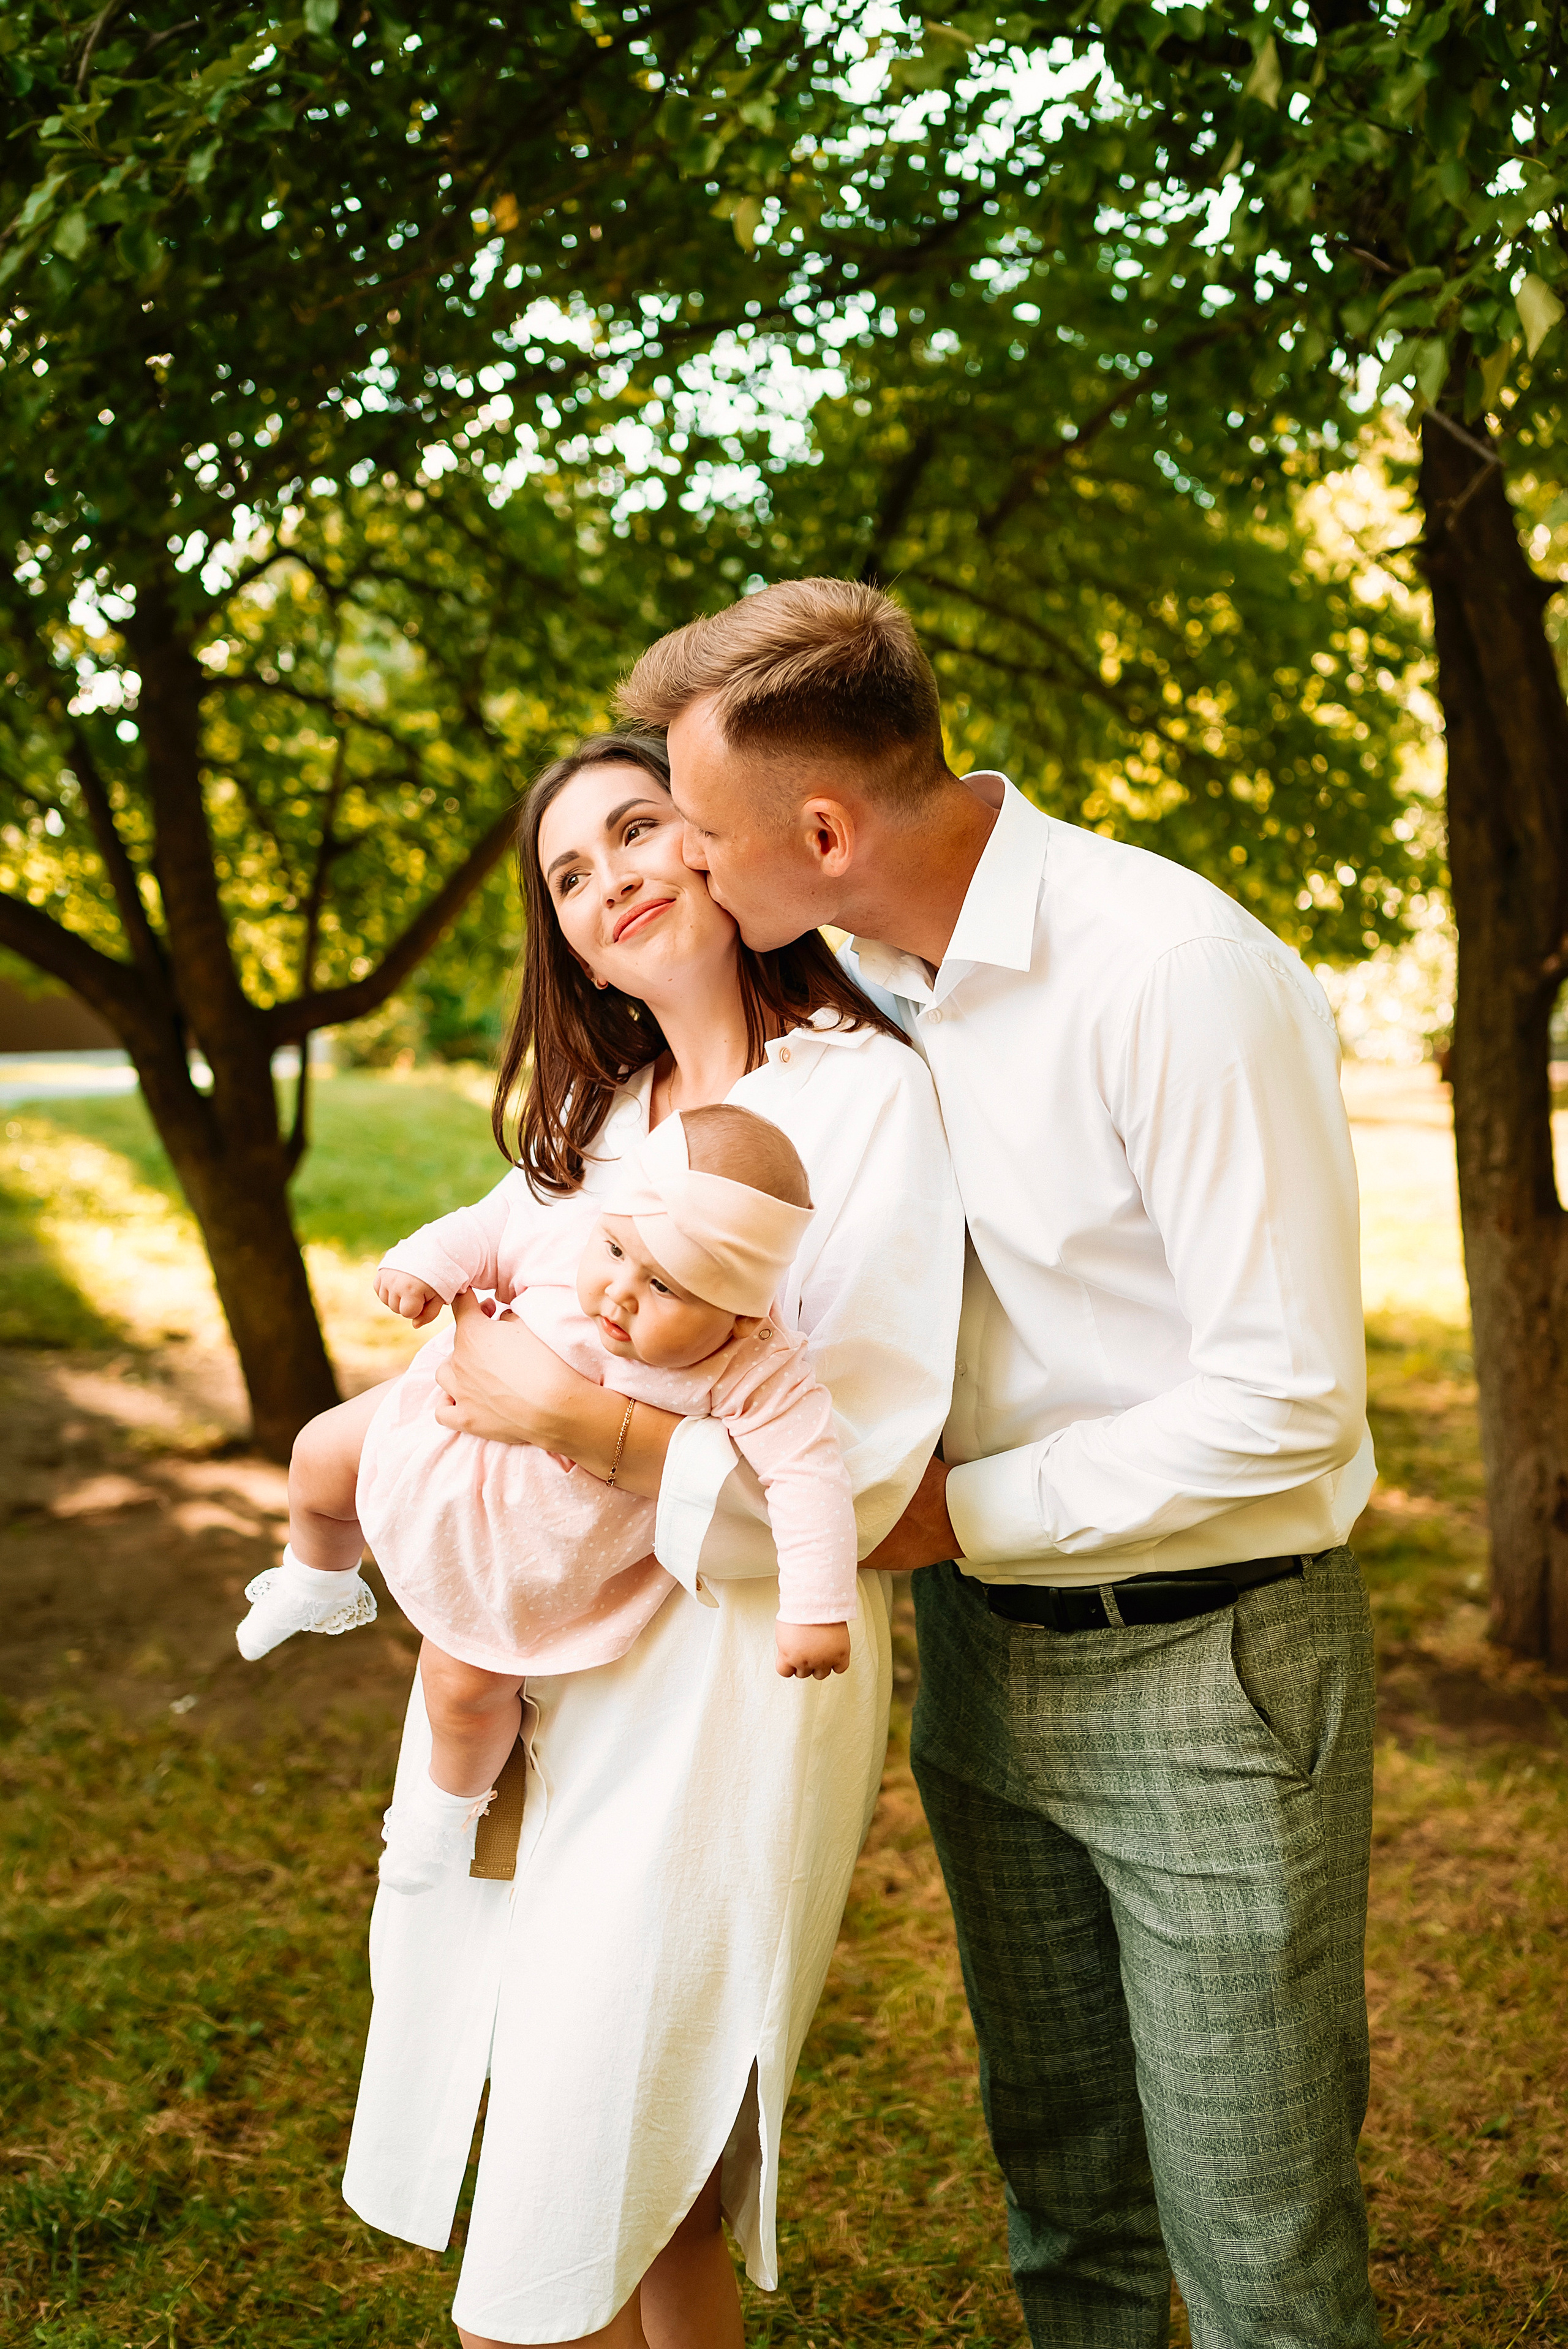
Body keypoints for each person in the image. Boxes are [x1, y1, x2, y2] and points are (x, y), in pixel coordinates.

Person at [619, 577, 1383, 2349]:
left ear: (823, 827)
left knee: (1261, 2241)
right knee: (1066, 2199)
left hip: (1211, 1669)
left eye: (709, 838)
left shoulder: (1172, 971)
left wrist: (962, 1514)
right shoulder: (866, 983)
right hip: (984, 1668)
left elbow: (1290, 1396)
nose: (696, 874)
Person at [341, 730, 964, 2349]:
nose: (608, 876)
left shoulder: (866, 1097)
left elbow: (873, 1473)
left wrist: (584, 1423)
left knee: (581, 2203)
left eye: (635, 830)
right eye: (568, 872)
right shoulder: (595, 1126)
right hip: (564, 1666)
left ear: (716, 844)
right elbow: (476, 1366)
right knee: (643, 2200)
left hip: (738, 1686)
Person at [236, 1103, 859, 1893]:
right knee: (318, 1455)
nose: (619, 1293)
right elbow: (491, 1228)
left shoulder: (754, 1370)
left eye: (665, 1287)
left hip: (525, 1546)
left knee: (462, 1690)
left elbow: (809, 1481)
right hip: (435, 1431)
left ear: (737, 1317)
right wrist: (424, 1263)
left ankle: (439, 1819)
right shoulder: (585, 1233)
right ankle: (315, 1579)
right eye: (616, 1252)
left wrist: (815, 1609)